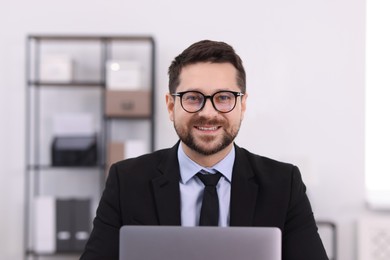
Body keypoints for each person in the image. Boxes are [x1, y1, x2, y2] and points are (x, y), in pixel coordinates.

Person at [81, 40, 328, 259]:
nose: (208, 113)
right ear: (170, 105)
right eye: (192, 97)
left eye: (223, 98)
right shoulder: (126, 181)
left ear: (242, 105)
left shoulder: (284, 184)